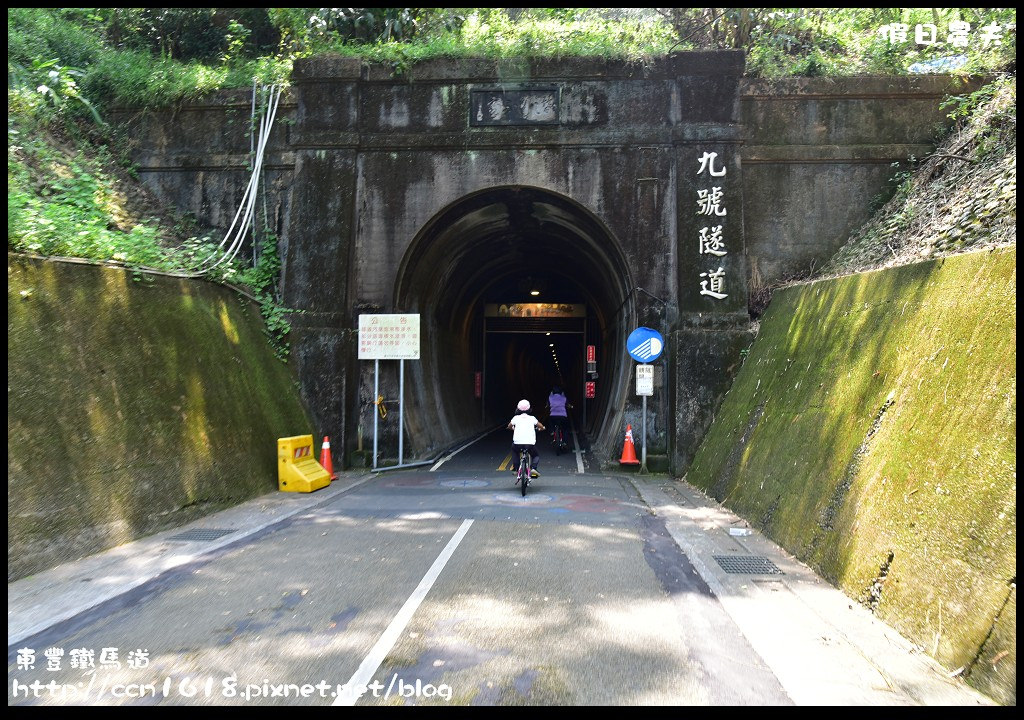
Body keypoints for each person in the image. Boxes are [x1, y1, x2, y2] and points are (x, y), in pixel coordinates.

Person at [508, 399, 544, 479]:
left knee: (514, 451)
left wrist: (513, 428)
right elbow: (540, 426)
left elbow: (509, 426)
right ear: (529, 409)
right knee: (535, 455)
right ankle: (533, 468)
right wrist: (542, 428)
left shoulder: (516, 418)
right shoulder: (532, 418)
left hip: (517, 443)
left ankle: (516, 468)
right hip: (529, 444)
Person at [546, 385, 572, 449]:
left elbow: (547, 405)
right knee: (565, 429)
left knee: (550, 421)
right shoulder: (564, 398)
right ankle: (565, 442)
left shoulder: (550, 398)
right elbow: (568, 405)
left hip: (553, 416)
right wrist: (571, 406)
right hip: (563, 416)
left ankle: (552, 431)